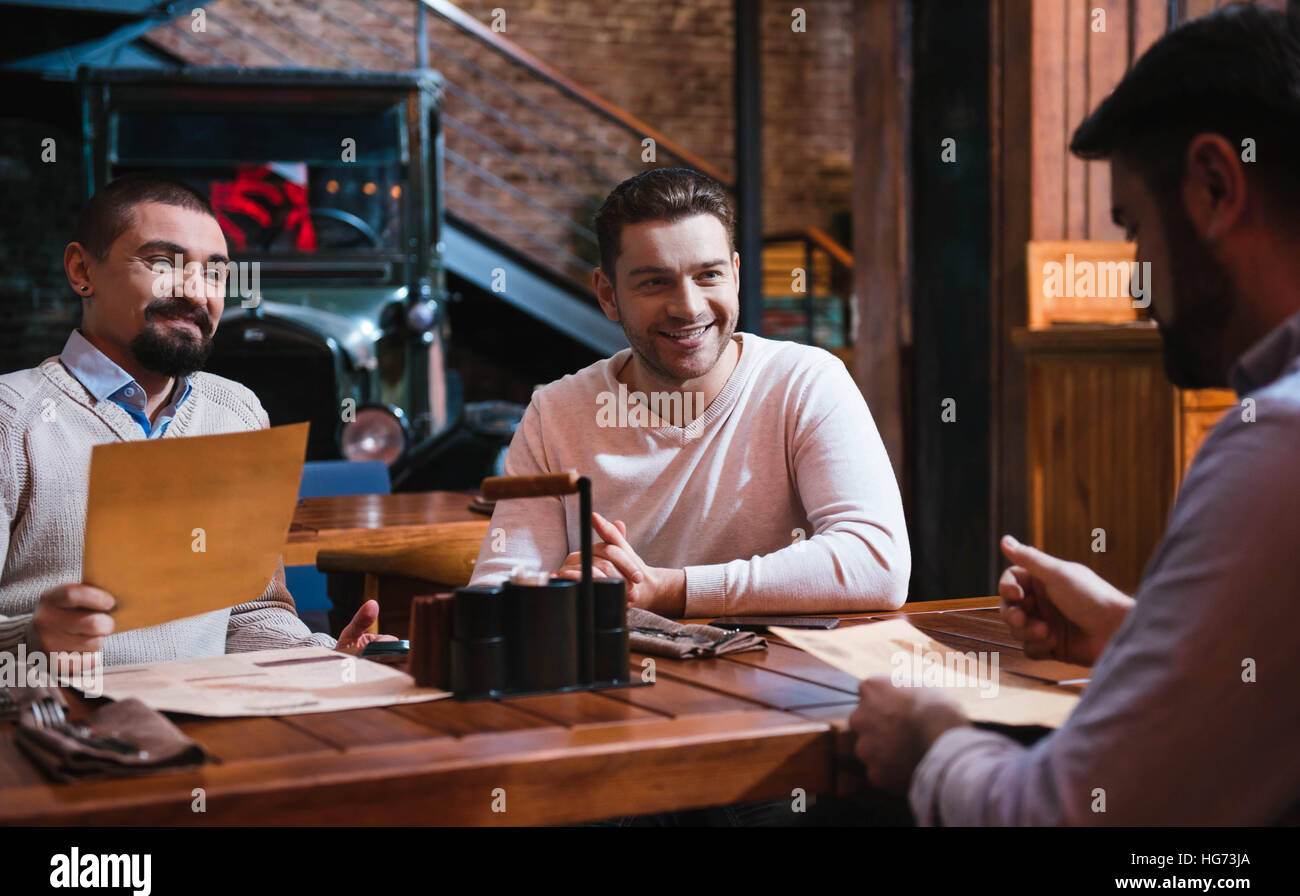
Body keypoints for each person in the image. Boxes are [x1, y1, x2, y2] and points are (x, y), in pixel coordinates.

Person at [847, 3, 1300, 825]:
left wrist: (929, 739)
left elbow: (1061, 817)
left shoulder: (1276, 443)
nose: (1136, 277)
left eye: (1133, 229)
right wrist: (1141, 636)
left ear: (1214, 187)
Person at [468, 167, 910, 618]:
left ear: (735, 275)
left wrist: (672, 590)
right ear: (608, 294)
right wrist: (564, 591)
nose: (688, 307)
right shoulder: (555, 412)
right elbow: (499, 591)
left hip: (784, 682)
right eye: (654, 282)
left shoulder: (805, 381)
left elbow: (877, 563)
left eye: (708, 275)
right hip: (623, 681)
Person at [0, 175, 389, 666]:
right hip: (54, 731)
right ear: (82, 271)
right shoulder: (10, 418)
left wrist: (327, 655)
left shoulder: (237, 413)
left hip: (204, 725)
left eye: (214, 274)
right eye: (162, 263)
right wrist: (30, 640)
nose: (194, 292)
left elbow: (251, 612)